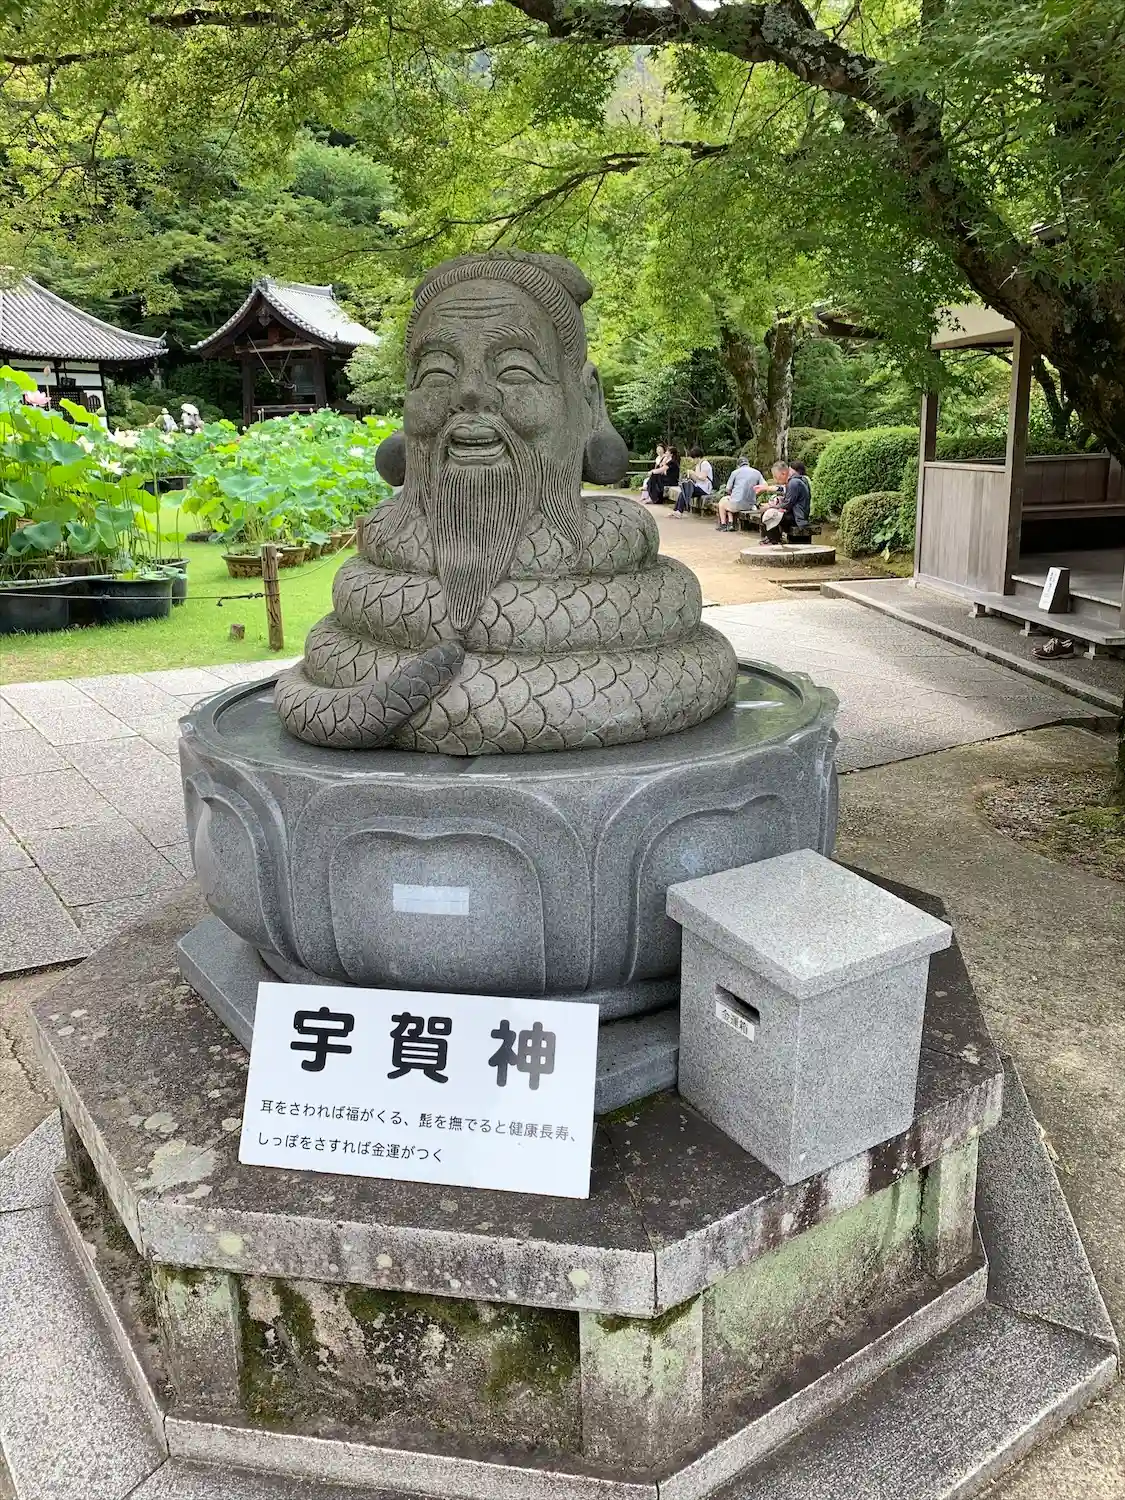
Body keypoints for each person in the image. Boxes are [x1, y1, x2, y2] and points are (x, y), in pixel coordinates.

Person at [758, 460, 812, 544]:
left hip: (798, 518)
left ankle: (774, 540)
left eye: (775, 477)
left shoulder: (793, 483)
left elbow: (787, 504)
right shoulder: (797, 480)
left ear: (783, 474)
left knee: (769, 514)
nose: (775, 480)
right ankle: (773, 538)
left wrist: (770, 506)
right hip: (798, 515)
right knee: (769, 513)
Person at [716, 455, 766, 531]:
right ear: (748, 464)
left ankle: (723, 524)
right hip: (750, 505)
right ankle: (730, 523)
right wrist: (756, 493)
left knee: (723, 502)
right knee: (730, 502)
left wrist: (733, 494)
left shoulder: (735, 472)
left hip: (736, 505)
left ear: (738, 465)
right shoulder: (757, 472)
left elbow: (728, 489)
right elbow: (765, 486)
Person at [674, 446, 713, 515]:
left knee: (686, 490)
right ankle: (677, 510)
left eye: (693, 458)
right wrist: (690, 475)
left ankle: (679, 511)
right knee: (683, 491)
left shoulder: (705, 464)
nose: (693, 460)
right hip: (699, 486)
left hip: (704, 489)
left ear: (698, 457)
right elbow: (697, 479)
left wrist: (693, 473)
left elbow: (703, 477)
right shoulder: (698, 465)